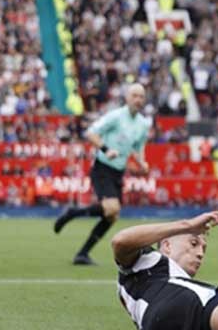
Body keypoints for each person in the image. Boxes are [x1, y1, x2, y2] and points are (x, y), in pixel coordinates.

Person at [54, 83, 152, 265]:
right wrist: (106, 149)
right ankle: (72, 213)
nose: (138, 99)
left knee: (112, 216)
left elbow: (138, 148)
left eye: (141, 96)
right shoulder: (116, 116)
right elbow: (91, 133)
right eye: (135, 95)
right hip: (102, 167)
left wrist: (142, 162)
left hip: (118, 171)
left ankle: (82, 254)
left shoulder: (142, 124)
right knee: (112, 208)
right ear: (127, 97)